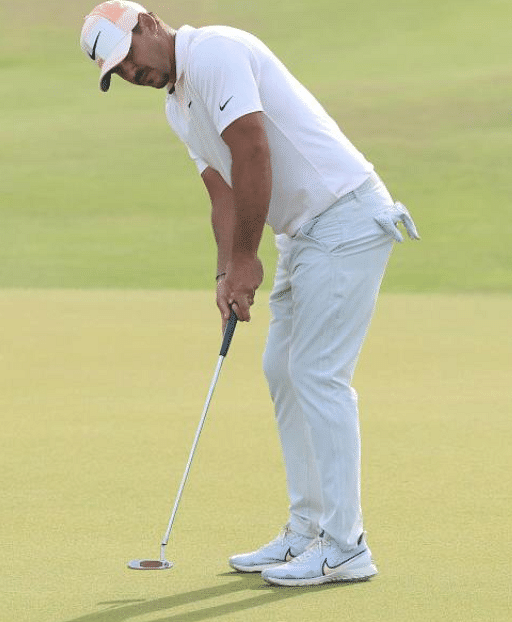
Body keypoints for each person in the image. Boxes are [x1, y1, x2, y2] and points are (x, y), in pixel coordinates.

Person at [79, 1, 419, 586]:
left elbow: (253, 150)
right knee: (282, 372)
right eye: (121, 72)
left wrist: (246, 259)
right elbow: (223, 194)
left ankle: (347, 546)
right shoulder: (176, 105)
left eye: (130, 57)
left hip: (345, 217)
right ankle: (306, 531)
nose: (133, 73)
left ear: (151, 24)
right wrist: (224, 273)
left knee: (317, 375)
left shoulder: (216, 51)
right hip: (303, 235)